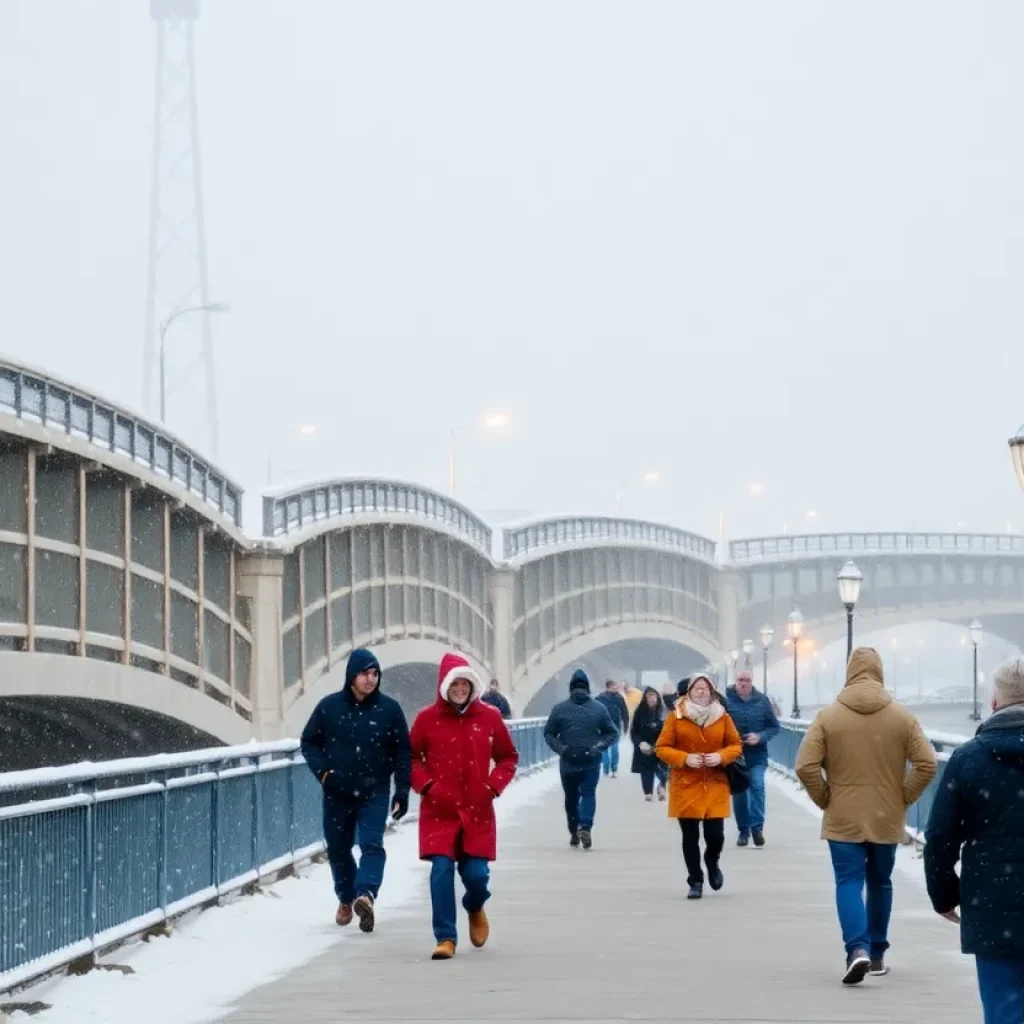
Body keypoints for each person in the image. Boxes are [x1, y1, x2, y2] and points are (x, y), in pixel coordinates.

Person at [795, 647, 937, 985]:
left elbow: (805, 766)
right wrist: (902, 797)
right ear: (880, 673)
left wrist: (826, 798)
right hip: (886, 815)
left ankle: (855, 949)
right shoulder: (902, 717)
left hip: (843, 816)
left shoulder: (828, 717)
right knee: (880, 882)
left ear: (850, 673)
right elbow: (928, 763)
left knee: (848, 882)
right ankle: (876, 954)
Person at [925, 657, 1024, 1023]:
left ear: (995, 703)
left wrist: (944, 895)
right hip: (993, 903)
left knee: (1003, 1008)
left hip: (993, 906)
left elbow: (939, 836)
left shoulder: (969, 758)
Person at [409, 652, 519, 961]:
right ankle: (445, 936)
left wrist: (492, 786)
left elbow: (508, 757)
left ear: (473, 685)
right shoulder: (426, 719)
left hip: (477, 809)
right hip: (439, 810)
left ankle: (475, 905)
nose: (460, 689)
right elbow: (410, 758)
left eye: (464, 683)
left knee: (476, 875)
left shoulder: (490, 717)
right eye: (454, 683)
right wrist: (427, 786)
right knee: (441, 870)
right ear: (444, 686)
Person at [300, 648, 411, 933]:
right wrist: (324, 772)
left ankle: (366, 894)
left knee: (372, 843)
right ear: (352, 676)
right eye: (365, 673)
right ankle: (346, 897)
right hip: (337, 792)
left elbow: (402, 753)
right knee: (338, 849)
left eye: (375, 674)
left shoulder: (389, 710)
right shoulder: (329, 708)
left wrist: (402, 792)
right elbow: (309, 742)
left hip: (375, 790)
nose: (370, 680)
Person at [655, 674, 742, 899]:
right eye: (697, 688)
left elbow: (735, 745)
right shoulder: (676, 717)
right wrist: (685, 758)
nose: (701, 692)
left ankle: (712, 862)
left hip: (714, 782)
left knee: (715, 836)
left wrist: (720, 756)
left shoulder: (722, 717)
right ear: (689, 692)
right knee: (690, 836)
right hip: (685, 783)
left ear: (712, 692)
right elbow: (662, 748)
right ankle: (695, 880)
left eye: (705, 688)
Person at [544, 669, 619, 849]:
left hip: (568, 760)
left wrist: (561, 749)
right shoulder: (599, 708)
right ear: (588, 688)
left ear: (571, 687)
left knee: (571, 797)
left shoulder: (559, 709)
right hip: (590, 759)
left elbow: (548, 733)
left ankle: (573, 829)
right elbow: (612, 732)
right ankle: (585, 825)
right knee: (588, 793)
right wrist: (598, 747)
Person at [725, 669, 780, 847]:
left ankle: (757, 828)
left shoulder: (762, 701)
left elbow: (774, 727)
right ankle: (743, 830)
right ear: (735, 681)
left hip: (757, 754)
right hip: (736, 755)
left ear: (752, 682)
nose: (743, 683)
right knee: (740, 792)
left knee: (757, 786)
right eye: (740, 680)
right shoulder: (727, 702)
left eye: (747, 680)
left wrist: (759, 736)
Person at [630, 685, 667, 801]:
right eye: (648, 696)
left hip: (661, 744)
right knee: (646, 770)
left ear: (657, 697)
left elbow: (670, 730)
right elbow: (634, 731)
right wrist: (640, 743)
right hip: (645, 745)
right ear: (645, 698)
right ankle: (648, 792)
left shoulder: (663, 712)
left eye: (653, 696)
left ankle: (661, 787)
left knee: (662, 769)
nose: (651, 699)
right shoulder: (640, 712)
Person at [596, 680, 630, 778]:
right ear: (607, 687)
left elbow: (624, 713)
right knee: (606, 749)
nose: (615, 689)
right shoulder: (600, 698)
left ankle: (614, 769)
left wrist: (626, 726)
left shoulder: (619, 698)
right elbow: (594, 713)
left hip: (615, 726)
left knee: (614, 748)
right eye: (613, 687)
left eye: (616, 687)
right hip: (604, 727)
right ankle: (607, 769)